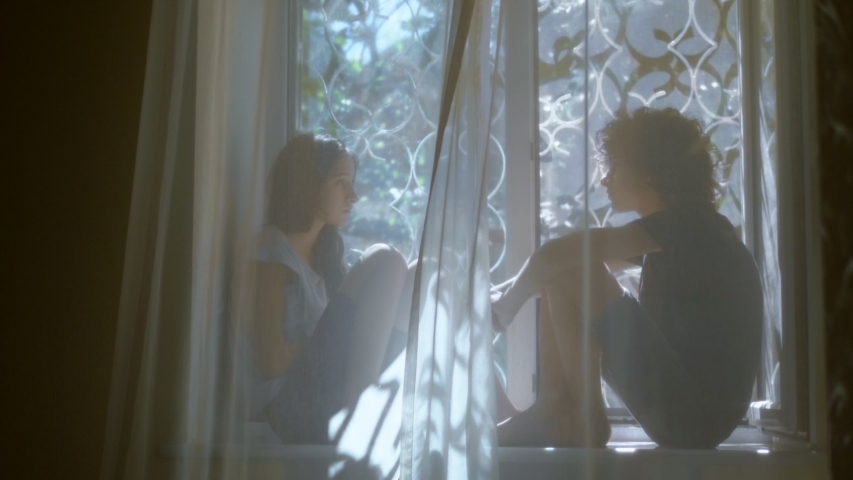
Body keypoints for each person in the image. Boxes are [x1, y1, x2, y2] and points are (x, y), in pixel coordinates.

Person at [491, 108, 763, 449]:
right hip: (693, 416)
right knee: (572, 266)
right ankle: (559, 409)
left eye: (614, 166)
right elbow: (552, 271)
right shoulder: (691, 232)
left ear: (648, 172)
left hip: (692, 414)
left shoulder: (688, 226)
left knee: (576, 262)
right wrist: (500, 292)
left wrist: (501, 311)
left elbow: (555, 256)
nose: (605, 179)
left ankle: (572, 415)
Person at [245, 133, 412, 444]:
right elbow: (270, 361)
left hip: (319, 395)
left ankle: (401, 405)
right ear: (308, 184)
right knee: (385, 259)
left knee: (420, 274)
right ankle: (362, 413)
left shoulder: (325, 260)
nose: (354, 195)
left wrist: (352, 337)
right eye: (340, 182)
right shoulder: (270, 254)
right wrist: (344, 337)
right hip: (284, 412)